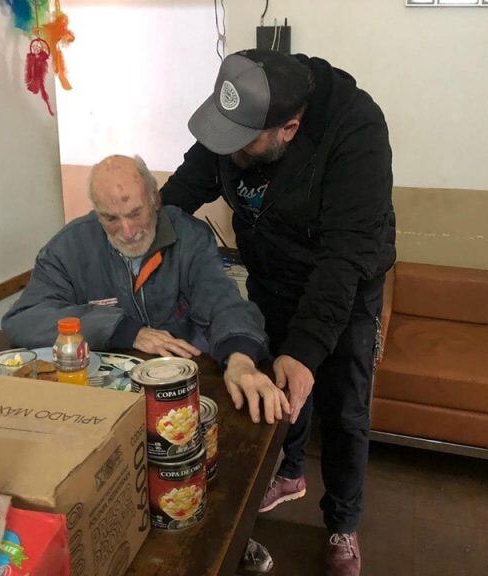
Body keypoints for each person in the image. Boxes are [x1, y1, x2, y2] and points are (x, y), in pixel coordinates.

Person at [161, 50, 396, 576]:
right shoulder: (239, 110)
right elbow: (182, 191)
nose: (227, 148)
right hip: (271, 275)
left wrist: (307, 350)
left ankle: (342, 522)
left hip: (346, 289)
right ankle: (288, 472)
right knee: (277, 386)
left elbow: (345, 258)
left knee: (343, 409)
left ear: (290, 127)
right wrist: (141, 239)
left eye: (241, 141)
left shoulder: (356, 130)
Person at [2, 154, 290, 427]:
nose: (127, 231)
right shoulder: (70, 246)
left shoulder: (189, 237)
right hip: (104, 400)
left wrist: (239, 358)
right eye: (110, 218)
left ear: (154, 199)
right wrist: (123, 329)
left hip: (185, 388)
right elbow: (24, 318)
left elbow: (222, 303)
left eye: (135, 213)